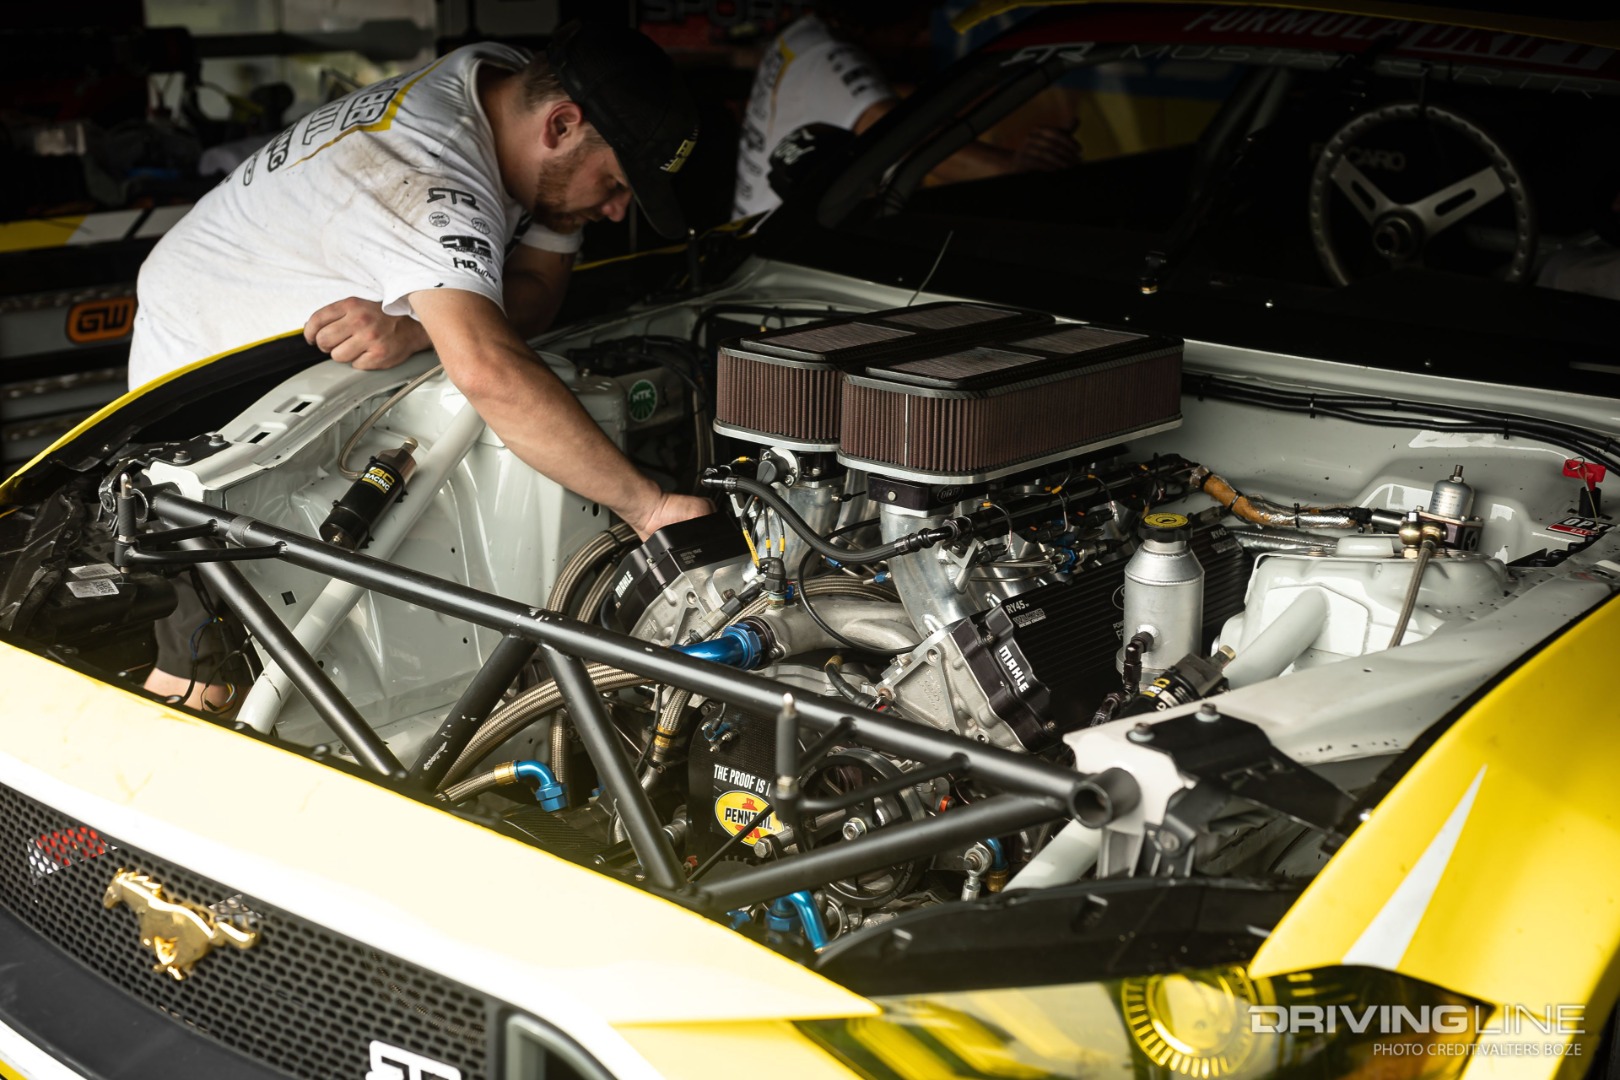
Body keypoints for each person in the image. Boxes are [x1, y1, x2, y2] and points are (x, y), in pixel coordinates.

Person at [127, 20, 712, 711]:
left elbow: (533, 296)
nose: (616, 210)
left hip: (310, 364)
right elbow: (489, 369)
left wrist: (416, 330)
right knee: (219, 679)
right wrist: (651, 508)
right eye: (614, 182)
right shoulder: (432, 175)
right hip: (210, 392)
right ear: (560, 125)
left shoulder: (501, 80)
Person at [733, 3, 1082, 220]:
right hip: (778, 248)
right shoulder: (829, 61)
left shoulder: (806, 32)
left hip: (767, 229)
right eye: (914, 23)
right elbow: (899, 139)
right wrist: (1013, 168)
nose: (920, 35)